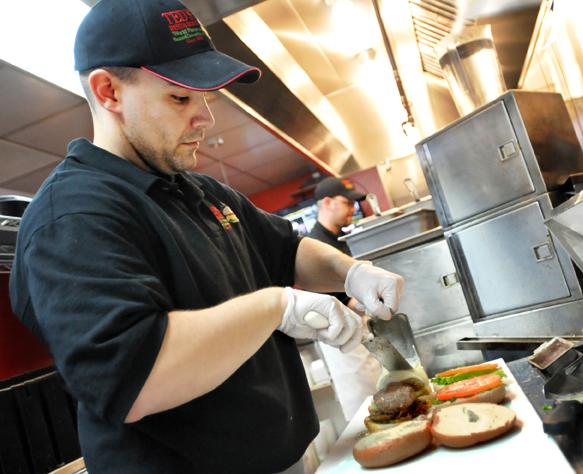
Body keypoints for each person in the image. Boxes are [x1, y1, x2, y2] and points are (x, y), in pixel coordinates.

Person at [9, 1, 404, 473]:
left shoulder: (196, 189)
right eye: (180, 98)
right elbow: (137, 375)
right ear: (108, 90)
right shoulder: (73, 216)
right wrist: (274, 308)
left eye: (206, 98)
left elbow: (289, 249)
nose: (205, 119)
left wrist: (352, 271)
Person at [308, 177, 383, 420]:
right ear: (327, 202)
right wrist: (372, 301)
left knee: (379, 395)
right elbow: (333, 299)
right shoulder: (315, 245)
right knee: (363, 405)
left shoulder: (339, 240)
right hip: (340, 337)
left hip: (358, 330)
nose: (353, 209)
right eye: (347, 203)